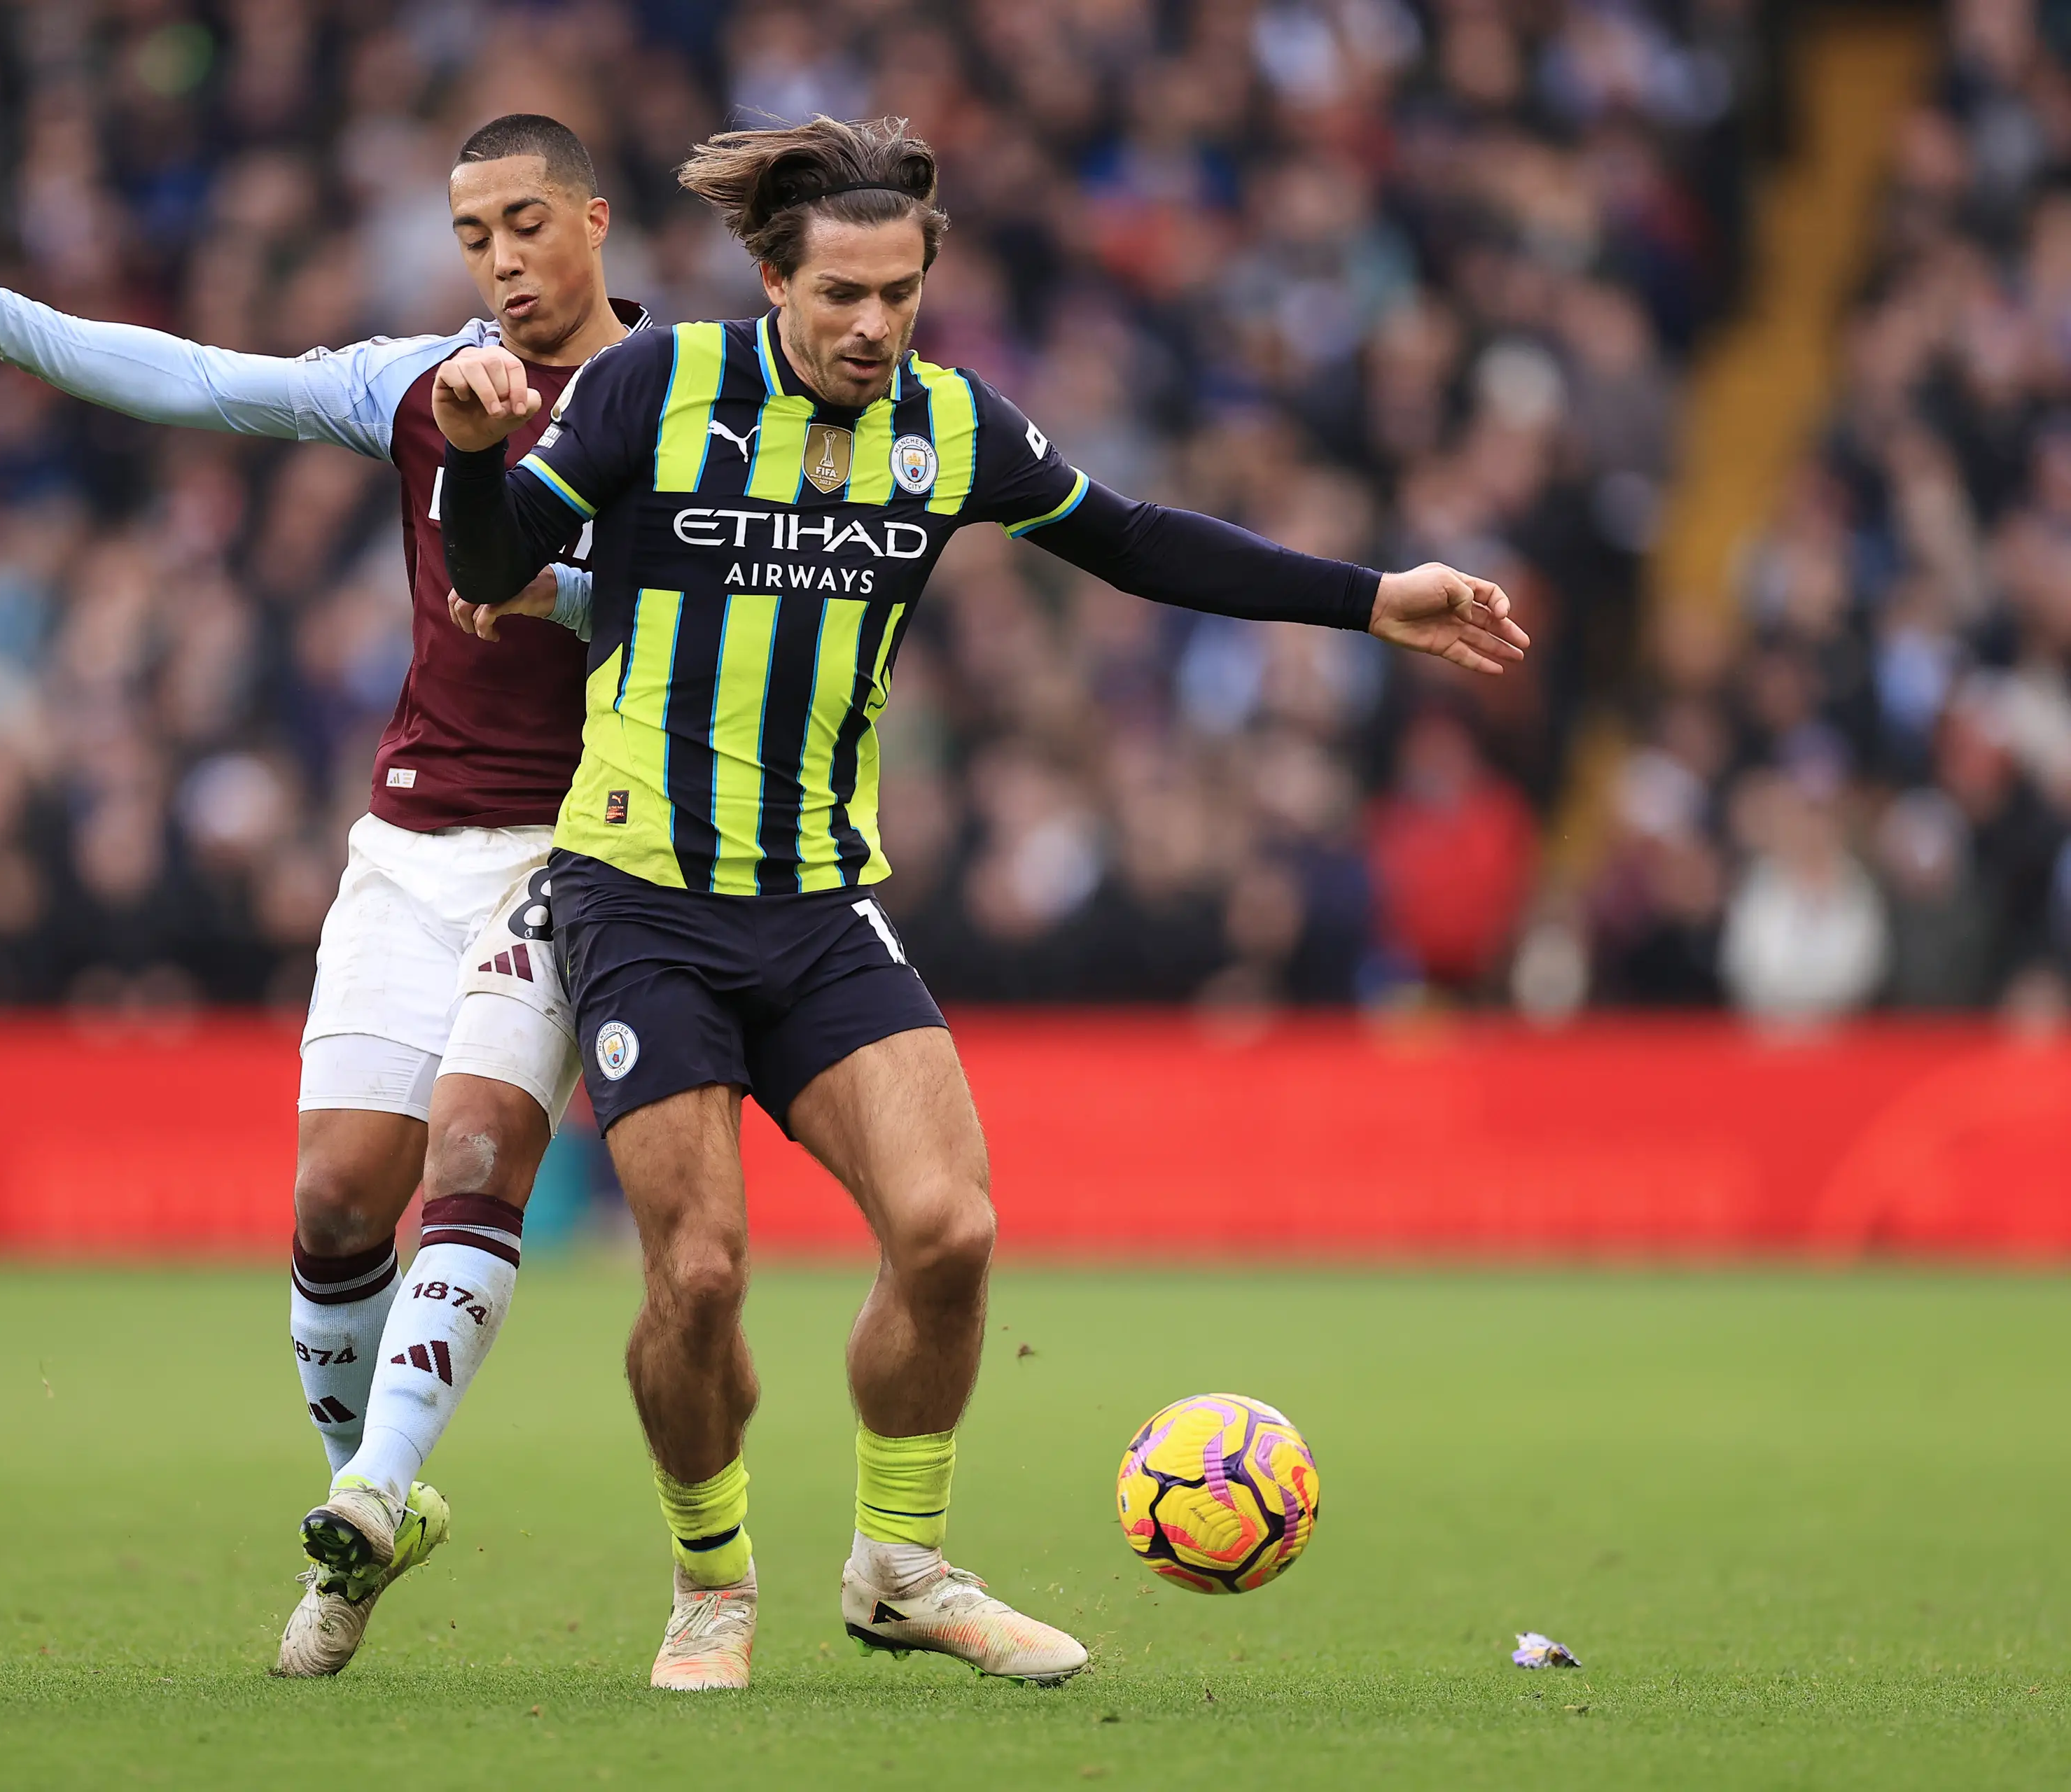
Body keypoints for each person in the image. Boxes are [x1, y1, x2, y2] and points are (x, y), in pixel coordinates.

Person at [432, 116, 1528, 1691]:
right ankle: (712, 1580)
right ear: (770, 281)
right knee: (701, 1271)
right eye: (842, 297)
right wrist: (476, 450)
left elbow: (1138, 540)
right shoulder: (646, 389)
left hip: (818, 901)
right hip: (641, 893)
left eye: (900, 294)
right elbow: (488, 566)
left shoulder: (952, 427)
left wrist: (1372, 598)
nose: (875, 326)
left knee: (948, 1230)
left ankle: (901, 1569)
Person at [0, 114, 647, 1679]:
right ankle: (371, 1505)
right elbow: (208, 380)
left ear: (597, 220)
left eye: (528, 224)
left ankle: (370, 1490)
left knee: (476, 1149)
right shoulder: (416, 383)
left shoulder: (678, 400)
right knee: (340, 1197)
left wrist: (562, 581)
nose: (501, 260)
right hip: (410, 845)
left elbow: (699, 597)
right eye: (473, 233)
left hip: (578, 846)